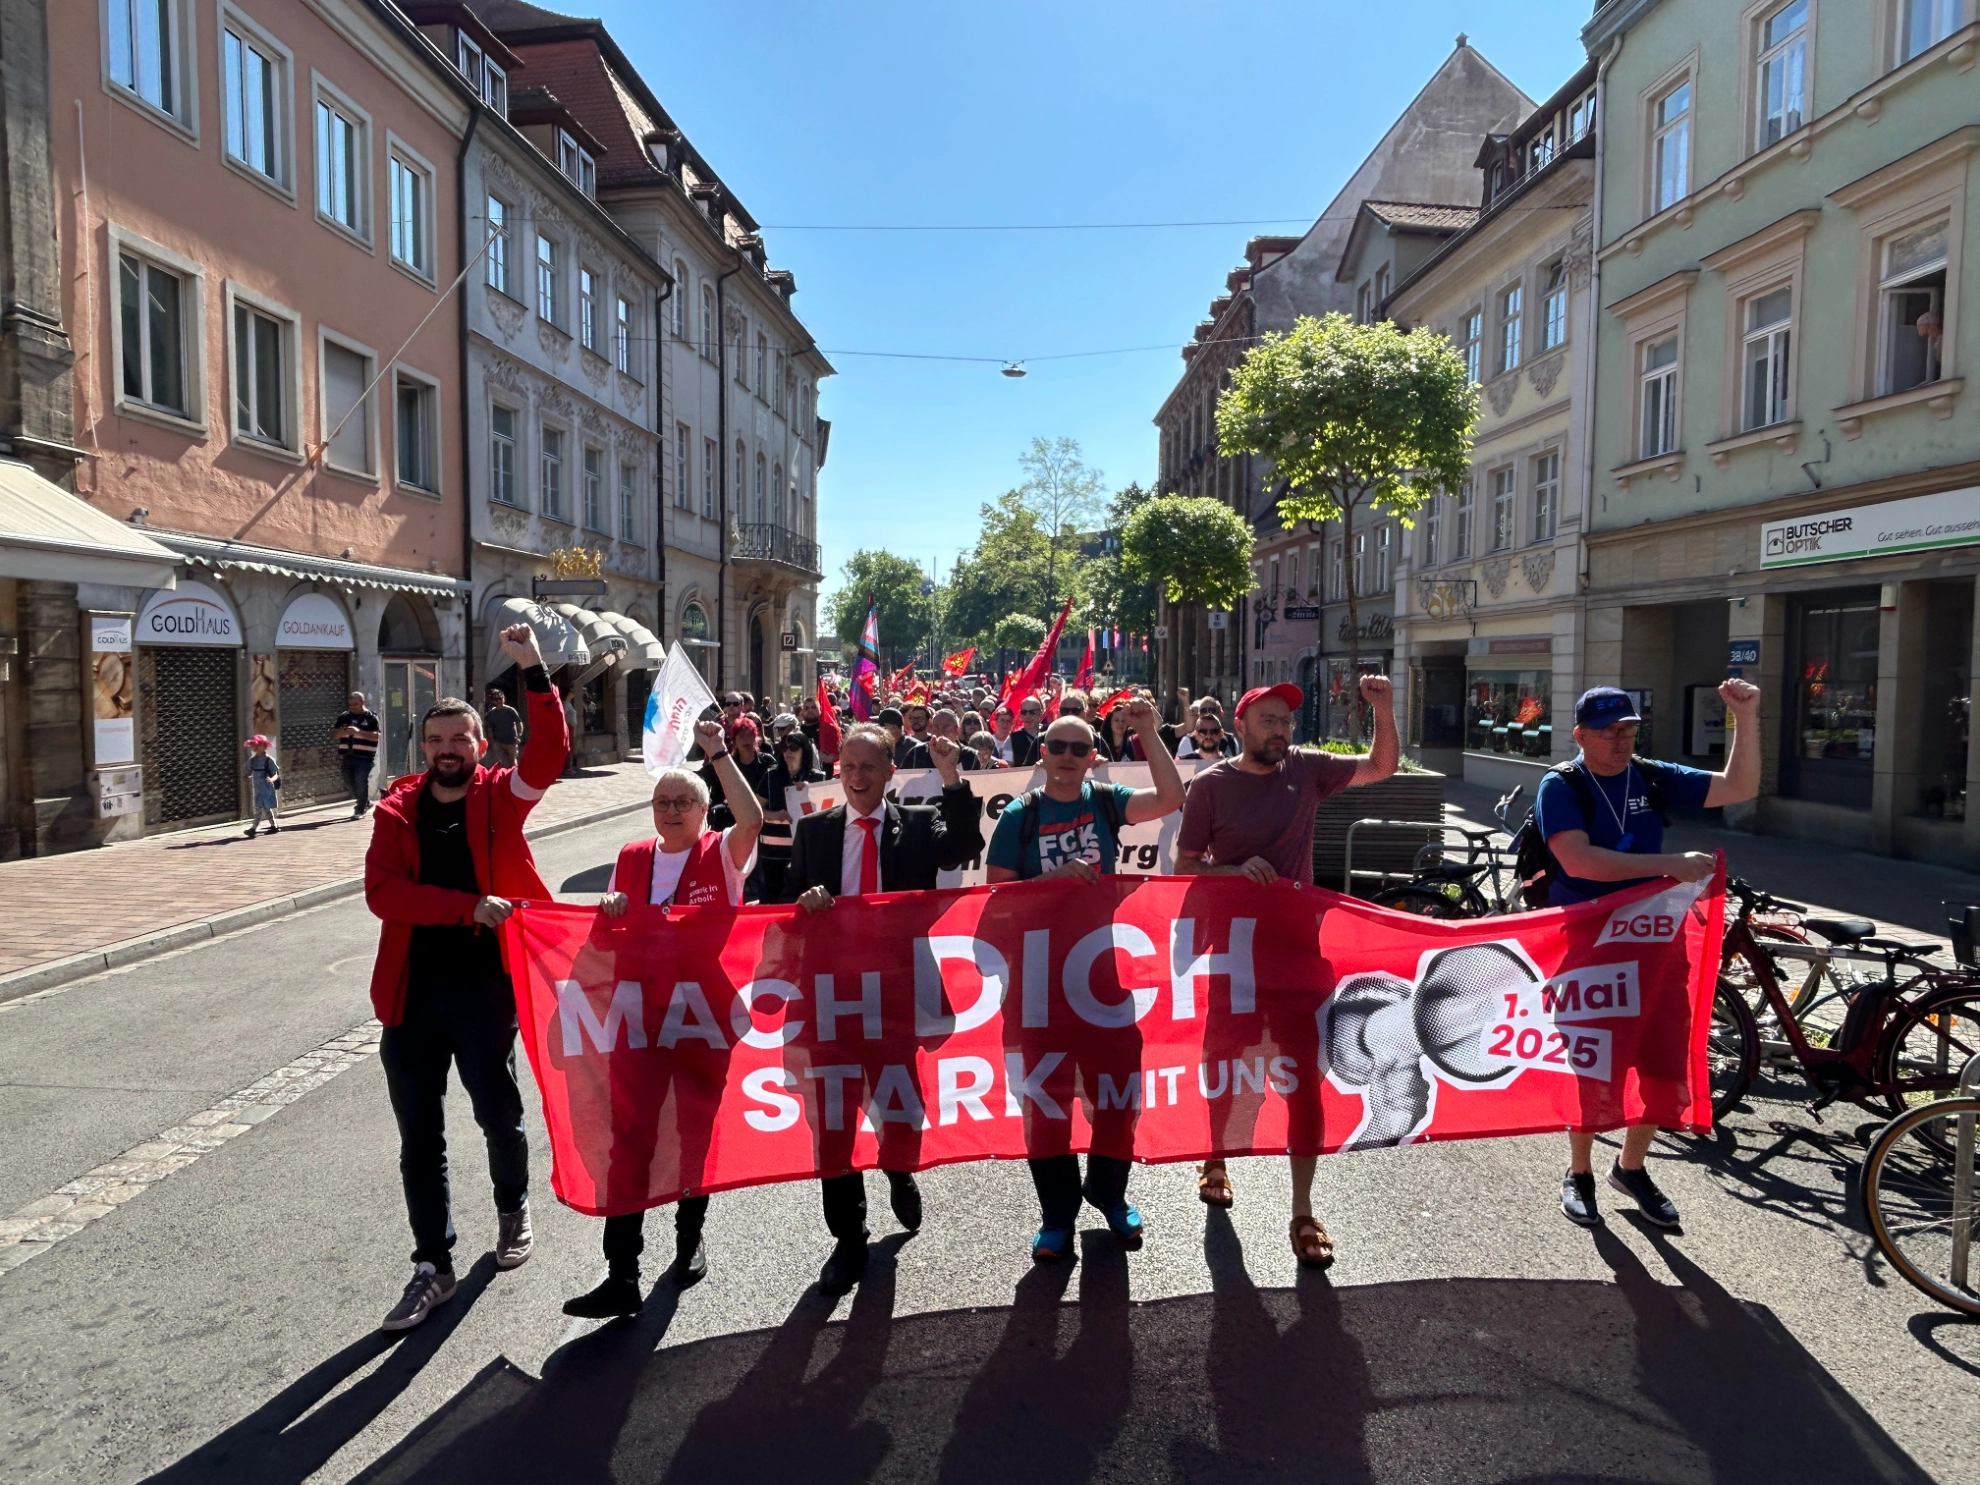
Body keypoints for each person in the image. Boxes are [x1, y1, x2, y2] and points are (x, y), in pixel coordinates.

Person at [363, 624, 567, 1331]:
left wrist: (533, 669)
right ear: (424, 748)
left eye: (461, 739)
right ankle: (432, 1265)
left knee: (498, 1113)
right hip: (411, 995)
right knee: (419, 1137)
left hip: (485, 988)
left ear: (480, 745)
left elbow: (552, 751)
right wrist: (465, 907)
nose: (448, 750)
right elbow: (383, 894)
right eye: (436, 740)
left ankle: (513, 1209)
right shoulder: (397, 808)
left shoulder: (499, 797)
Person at [1177, 678, 1397, 1270]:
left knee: (1305, 1078)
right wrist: (1231, 870)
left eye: (1287, 722)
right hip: (1234, 954)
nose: (1281, 730)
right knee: (1226, 1065)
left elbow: (1381, 767)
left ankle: (1302, 1209)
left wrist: (1382, 707)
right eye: (1269, 720)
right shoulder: (1210, 786)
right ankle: (1217, 1156)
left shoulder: (1307, 769)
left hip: (1299, 951)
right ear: (1240, 727)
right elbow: (1185, 867)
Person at [561, 720, 763, 1317]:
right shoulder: (629, 857)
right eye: (662, 802)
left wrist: (717, 753)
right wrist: (608, 911)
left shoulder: (723, 852)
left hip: (703, 1019)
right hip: (640, 1019)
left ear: (704, 810)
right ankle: (622, 1273)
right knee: (631, 1139)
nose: (671, 810)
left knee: (693, 1131)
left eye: (684, 802)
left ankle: (689, 1237)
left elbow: (750, 818)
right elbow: (606, 940)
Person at [1541, 682, 1760, 1231]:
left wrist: (1746, 718)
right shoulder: (1561, 785)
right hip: (1592, 946)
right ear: (1580, 736)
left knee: (1662, 1058)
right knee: (1595, 1060)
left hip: (1657, 943)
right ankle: (1580, 1173)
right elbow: (1580, 861)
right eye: (1608, 731)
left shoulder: (1651, 776)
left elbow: (1741, 785)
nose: (1620, 741)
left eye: (1629, 731)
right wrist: (1666, 865)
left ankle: (1631, 1168)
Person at [786, 723, 983, 1296]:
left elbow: (963, 847)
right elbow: (782, 907)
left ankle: (899, 1171)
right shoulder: (814, 831)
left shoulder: (919, 824)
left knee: (899, 1105)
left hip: (898, 992)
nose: (856, 778)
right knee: (833, 1120)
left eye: (869, 767)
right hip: (832, 996)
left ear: (890, 773)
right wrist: (805, 905)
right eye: (847, 767)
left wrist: (951, 776)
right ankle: (848, 1242)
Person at [985, 700, 1185, 1261]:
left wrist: (1147, 732)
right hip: (1038, 983)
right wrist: (1050, 882)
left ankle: (1108, 1193)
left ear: (1094, 758)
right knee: (1048, 1103)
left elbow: (1171, 800)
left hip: (1103, 977)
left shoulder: (1105, 800)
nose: (1067, 757)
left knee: (1118, 1094)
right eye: (1057, 746)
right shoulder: (1017, 818)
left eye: (1079, 748)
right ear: (1042, 753)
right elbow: (993, 906)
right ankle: (1057, 1217)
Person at [760, 729, 827, 903]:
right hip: (773, 853)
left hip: (805, 853)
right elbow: (754, 811)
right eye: (784, 747)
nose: (788, 752)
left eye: (794, 747)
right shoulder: (770, 776)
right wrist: (774, 815)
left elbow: (828, 813)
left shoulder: (818, 778)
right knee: (773, 900)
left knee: (802, 901)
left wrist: (810, 792)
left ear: (804, 750)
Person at [335, 691, 381, 817]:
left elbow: (376, 736)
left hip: (364, 756)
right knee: (348, 781)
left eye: (355, 704)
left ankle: (360, 809)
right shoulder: (344, 717)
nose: (352, 707)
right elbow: (334, 734)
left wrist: (358, 732)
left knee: (360, 781)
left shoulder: (371, 717)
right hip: (348, 755)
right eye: (350, 705)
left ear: (363, 702)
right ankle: (365, 801)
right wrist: (344, 731)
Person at [244, 735, 280, 837]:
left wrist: (271, 779)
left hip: (266, 788)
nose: (256, 747)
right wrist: (246, 776)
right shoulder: (253, 760)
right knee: (264, 808)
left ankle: (253, 829)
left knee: (260, 808)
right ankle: (274, 826)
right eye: (254, 745)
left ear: (264, 746)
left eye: (258, 745)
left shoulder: (269, 760)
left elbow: (276, 773)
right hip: (257, 788)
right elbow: (250, 770)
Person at [482, 688, 522, 770]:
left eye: (501, 699)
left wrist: (519, 736)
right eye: (496, 700)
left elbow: (519, 723)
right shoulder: (491, 714)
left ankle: (514, 776)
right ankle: (504, 777)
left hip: (511, 740)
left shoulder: (510, 710)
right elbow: (489, 729)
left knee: (513, 761)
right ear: (493, 702)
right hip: (498, 742)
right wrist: (491, 741)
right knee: (500, 762)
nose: (499, 702)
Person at [1009, 697, 1044, 767]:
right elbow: (1008, 765)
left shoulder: (1050, 733)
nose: (1027, 716)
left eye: (1032, 712)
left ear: (1040, 713)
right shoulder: (1012, 739)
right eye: (1024, 712)